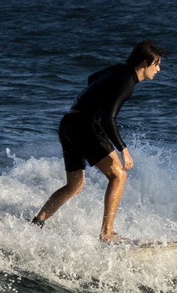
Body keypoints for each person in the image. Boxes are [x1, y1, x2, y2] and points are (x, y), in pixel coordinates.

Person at [31, 40, 166, 242]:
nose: (159, 69)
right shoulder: (127, 81)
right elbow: (107, 119)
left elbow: (92, 78)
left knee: (74, 185)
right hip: (85, 125)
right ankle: (107, 233)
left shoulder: (119, 70)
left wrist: (97, 97)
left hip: (68, 122)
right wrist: (123, 149)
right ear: (145, 62)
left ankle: (37, 222)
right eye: (157, 64)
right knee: (119, 176)